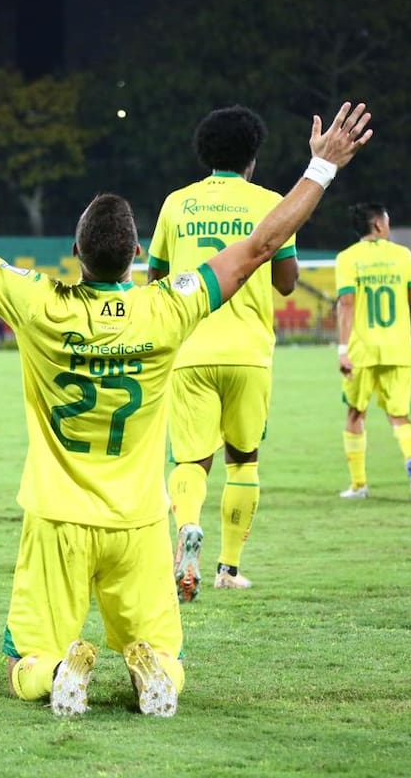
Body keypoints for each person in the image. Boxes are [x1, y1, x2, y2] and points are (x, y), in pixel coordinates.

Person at [0, 102, 372, 716]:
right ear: (137, 251)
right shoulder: (167, 307)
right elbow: (259, 247)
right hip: (139, 524)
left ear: (75, 251)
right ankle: (151, 673)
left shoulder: (37, 302)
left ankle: (58, 669)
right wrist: (321, 167)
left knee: (23, 661)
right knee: (167, 652)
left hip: (57, 521)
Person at [146, 105, 298, 602]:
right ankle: (228, 568)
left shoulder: (176, 204)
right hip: (250, 352)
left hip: (189, 349)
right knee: (244, 459)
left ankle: (187, 530)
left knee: (190, 459)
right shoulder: (272, 204)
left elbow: (155, 281)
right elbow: (286, 282)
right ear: (252, 155)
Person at [335, 203, 411, 502]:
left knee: (355, 413)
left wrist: (342, 348)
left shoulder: (348, 259)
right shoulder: (403, 256)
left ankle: (359, 484)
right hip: (397, 349)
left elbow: (347, 305)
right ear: (378, 225)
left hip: (362, 350)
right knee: (399, 415)